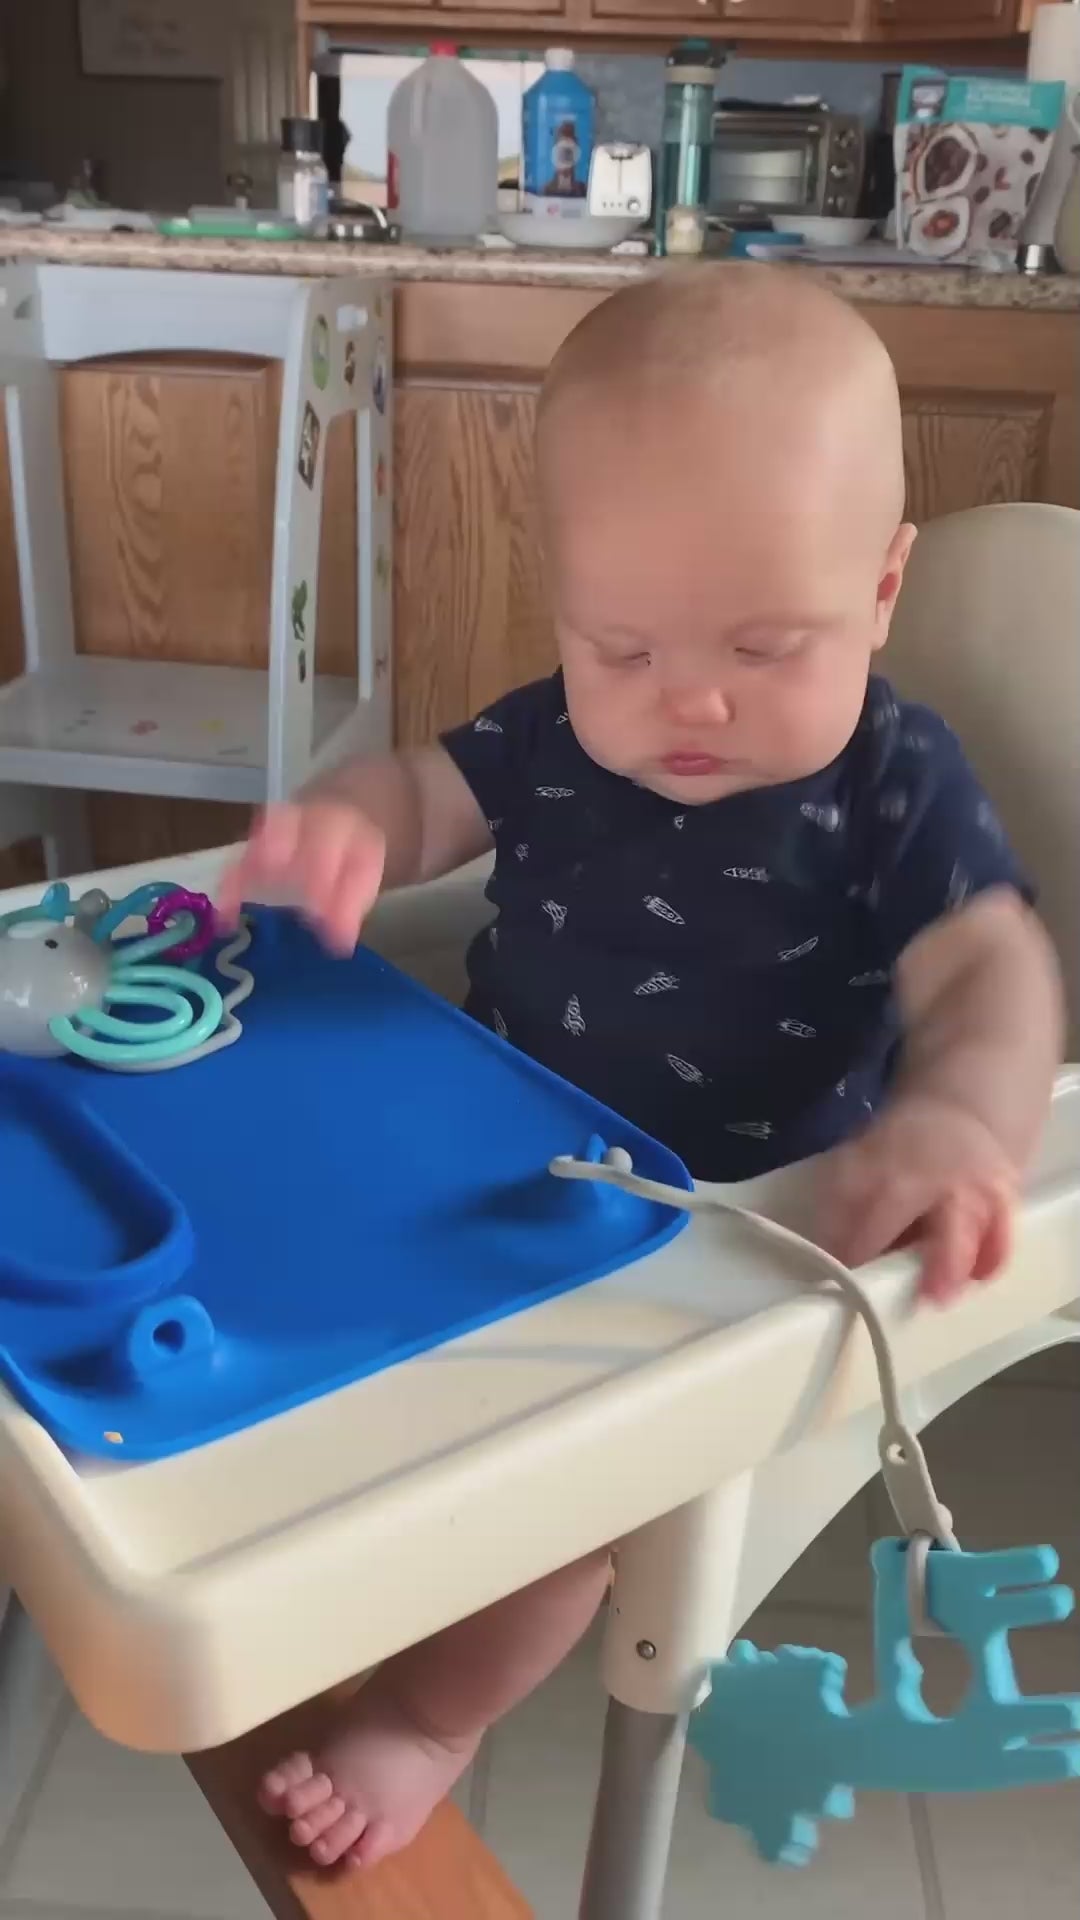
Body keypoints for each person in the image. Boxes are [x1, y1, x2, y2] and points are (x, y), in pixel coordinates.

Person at [217, 265, 1062, 1873]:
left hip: (718, 1241)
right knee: (290, 1262)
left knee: (568, 1511)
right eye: (622, 644)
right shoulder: (556, 731)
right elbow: (427, 794)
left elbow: (994, 966)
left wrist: (963, 1113)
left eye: (765, 643)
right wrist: (352, 827)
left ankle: (430, 1720)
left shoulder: (891, 783)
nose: (691, 699)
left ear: (883, 588)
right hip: (505, 1147)